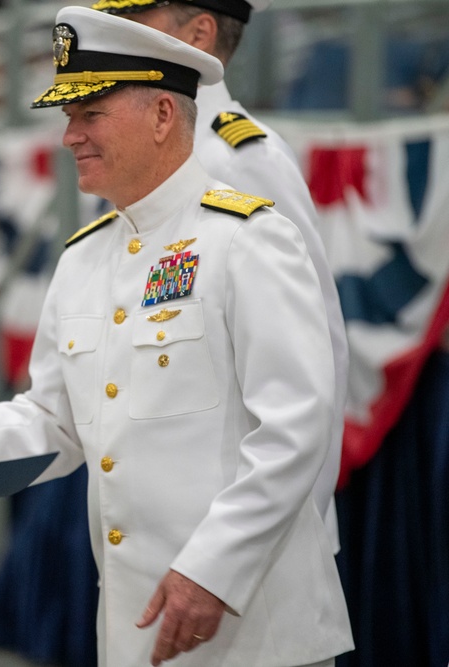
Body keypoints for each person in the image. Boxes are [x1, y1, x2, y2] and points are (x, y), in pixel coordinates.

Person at [0, 8, 353, 666]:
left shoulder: (248, 238)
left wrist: (214, 569)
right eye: (69, 117)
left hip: (252, 624)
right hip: (136, 624)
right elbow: (55, 421)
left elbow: (299, 424)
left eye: (89, 115)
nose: (69, 137)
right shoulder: (84, 257)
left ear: (160, 114)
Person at [92, 0, 348, 553]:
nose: (115, 36)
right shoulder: (135, 142)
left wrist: (289, 529)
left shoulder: (240, 157)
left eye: (133, 21)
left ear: (201, 33)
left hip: (242, 534)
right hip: (156, 511)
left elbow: (315, 349)